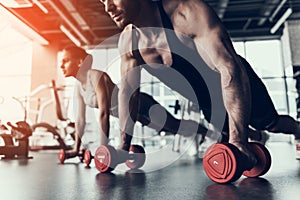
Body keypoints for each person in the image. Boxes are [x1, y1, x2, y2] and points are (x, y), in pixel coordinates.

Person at [99, 0, 300, 164]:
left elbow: (228, 68)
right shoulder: (129, 43)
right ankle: (254, 139)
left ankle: (297, 130)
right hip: (206, 99)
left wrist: (238, 142)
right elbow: (129, 95)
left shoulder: (187, 14)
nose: (107, 8)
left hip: (236, 81)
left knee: (270, 123)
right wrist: (123, 148)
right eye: (102, 1)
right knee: (229, 130)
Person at [60, 45, 210, 158]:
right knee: (169, 129)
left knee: (175, 126)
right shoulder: (79, 87)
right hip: (132, 115)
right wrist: (75, 149)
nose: (61, 66)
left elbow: (104, 113)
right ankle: (203, 132)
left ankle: (209, 132)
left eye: (65, 61)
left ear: (80, 62)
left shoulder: (96, 76)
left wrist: (103, 147)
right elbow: (80, 120)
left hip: (141, 104)